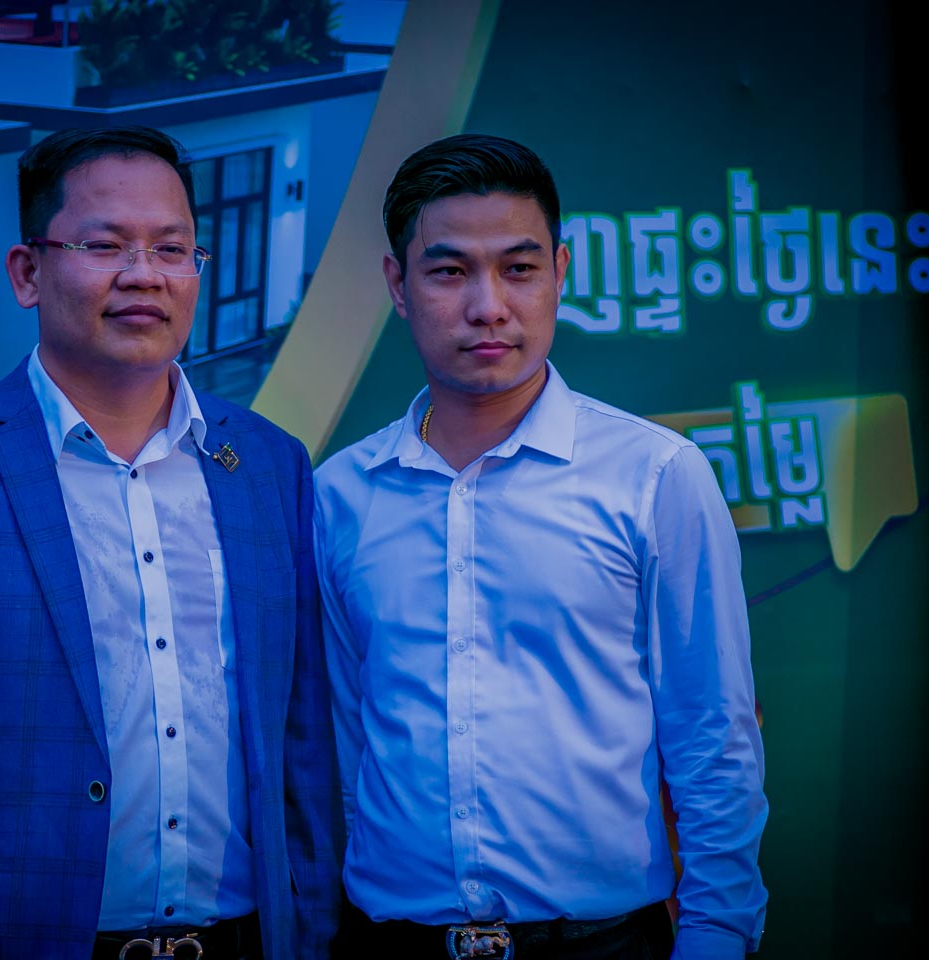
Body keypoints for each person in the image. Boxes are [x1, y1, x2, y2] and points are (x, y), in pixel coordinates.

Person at [0, 126, 343, 959]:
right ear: (28, 272)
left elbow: (301, 744)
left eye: (172, 248)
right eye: (104, 245)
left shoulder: (269, 466)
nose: (144, 275)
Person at [314, 134, 767, 960]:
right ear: (398, 286)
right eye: (449, 271)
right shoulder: (340, 495)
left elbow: (713, 733)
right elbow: (345, 741)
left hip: (603, 944)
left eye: (518, 268)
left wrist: (716, 934)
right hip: (390, 941)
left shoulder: (655, 475)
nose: (488, 305)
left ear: (560, 272)